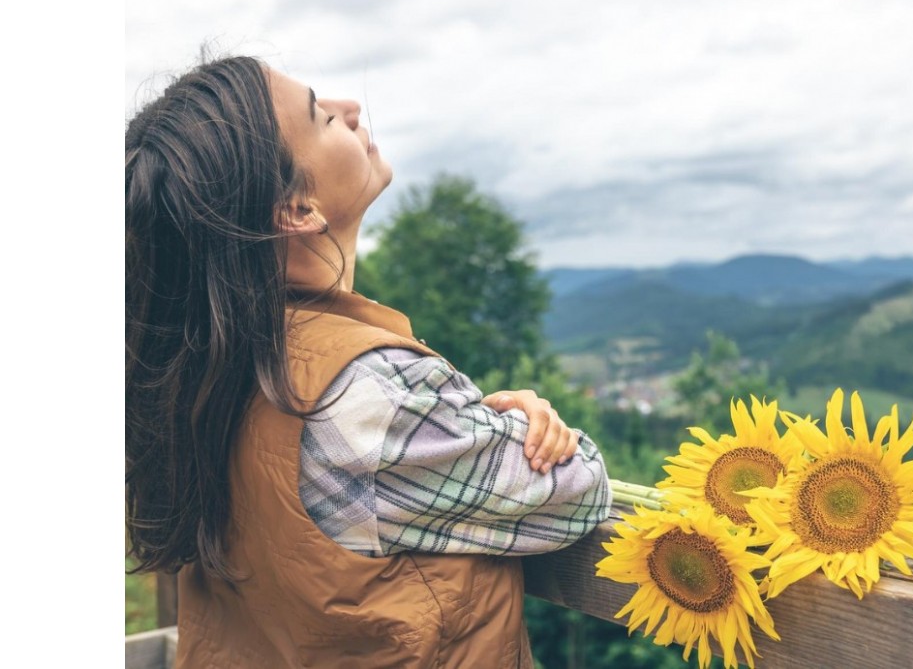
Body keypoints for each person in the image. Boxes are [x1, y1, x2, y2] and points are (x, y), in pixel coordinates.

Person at [125, 55, 612, 668]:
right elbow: (578, 493)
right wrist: (525, 424)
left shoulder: (201, 372)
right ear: (297, 210)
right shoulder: (360, 394)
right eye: (322, 118)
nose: (349, 110)